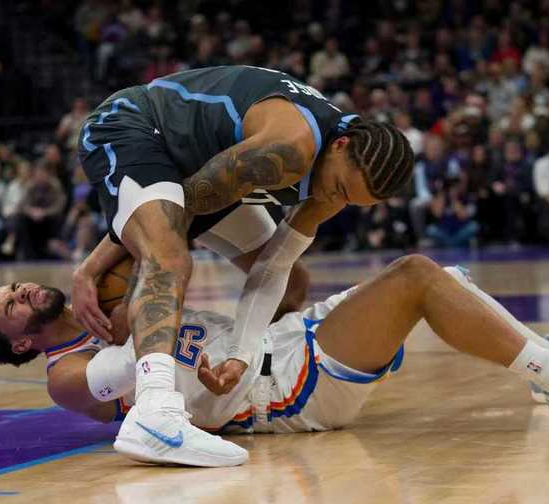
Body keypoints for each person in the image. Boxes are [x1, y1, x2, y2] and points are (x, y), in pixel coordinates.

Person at [72, 65, 414, 467]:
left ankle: (250, 380)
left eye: (350, 201)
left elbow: (274, 267)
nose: (334, 200)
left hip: (205, 172)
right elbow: (182, 208)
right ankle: (154, 411)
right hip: (138, 126)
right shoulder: (286, 149)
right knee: (169, 260)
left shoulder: (337, 173)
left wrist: (240, 355)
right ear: (340, 145)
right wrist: (95, 267)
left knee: (293, 282)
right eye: (339, 189)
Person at [0, 254, 549, 453]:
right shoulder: (65, 376)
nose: (21, 292)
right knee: (416, 278)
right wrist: (143, 290)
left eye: (14, 287)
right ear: (19, 342)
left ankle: (539, 366)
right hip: (283, 389)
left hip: (283, 338)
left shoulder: (106, 301)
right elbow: (128, 364)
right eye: (9, 305)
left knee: (448, 279)